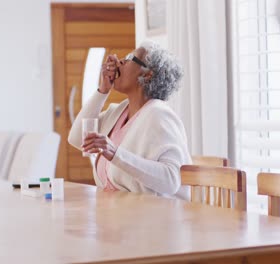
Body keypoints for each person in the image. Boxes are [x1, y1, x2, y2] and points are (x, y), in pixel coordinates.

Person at [68, 41, 190, 199]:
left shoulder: (159, 115)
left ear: (147, 74)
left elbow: (172, 180)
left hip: (156, 219)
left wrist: (115, 153)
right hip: (120, 216)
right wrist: (103, 90)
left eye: (129, 58)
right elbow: (77, 138)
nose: (120, 62)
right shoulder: (117, 112)